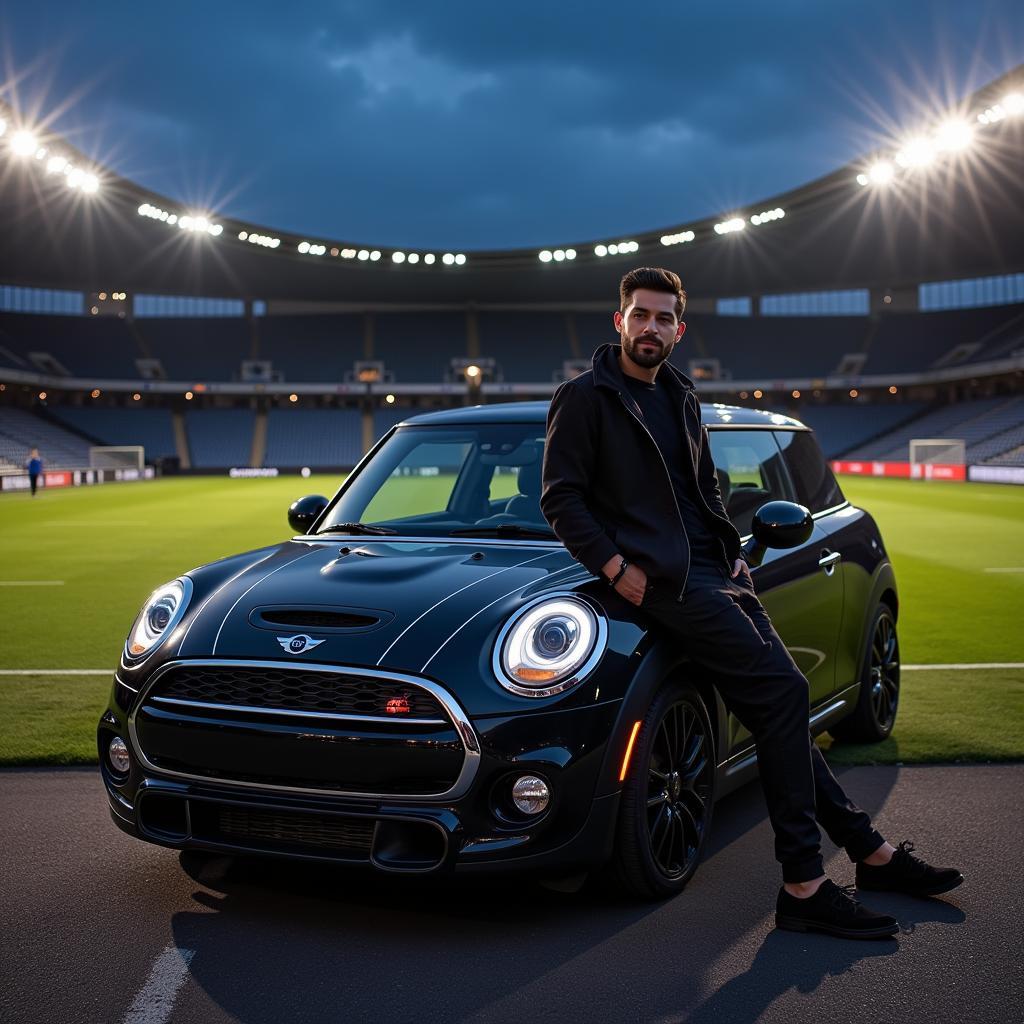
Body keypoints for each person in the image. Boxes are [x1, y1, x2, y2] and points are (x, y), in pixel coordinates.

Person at [540, 266, 962, 939]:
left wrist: (729, 545)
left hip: (717, 573)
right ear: (618, 320)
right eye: (640, 315)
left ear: (681, 327)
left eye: (664, 317)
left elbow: (703, 487)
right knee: (786, 695)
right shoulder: (585, 397)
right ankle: (805, 884)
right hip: (667, 586)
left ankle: (870, 853)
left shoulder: (680, 394)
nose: (651, 328)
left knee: (780, 710)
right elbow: (561, 497)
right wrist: (617, 568)